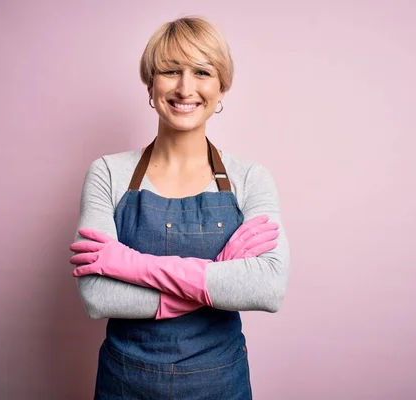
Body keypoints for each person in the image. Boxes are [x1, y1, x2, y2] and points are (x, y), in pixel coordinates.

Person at [69, 16, 290, 400]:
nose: (185, 88)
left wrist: (129, 264)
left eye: (202, 72)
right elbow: (97, 297)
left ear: (222, 87)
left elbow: (267, 287)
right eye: (171, 71)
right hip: (125, 383)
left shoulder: (250, 178)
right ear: (151, 84)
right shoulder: (108, 173)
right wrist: (219, 275)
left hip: (220, 384)